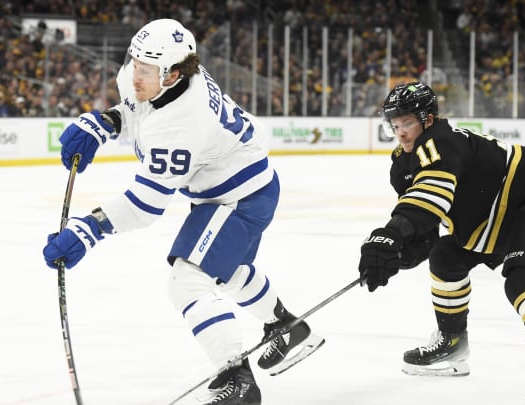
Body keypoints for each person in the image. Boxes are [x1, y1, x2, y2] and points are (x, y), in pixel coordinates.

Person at [42, 18, 323, 405]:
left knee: (187, 281)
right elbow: (138, 108)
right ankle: (286, 325)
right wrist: (106, 122)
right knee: (227, 274)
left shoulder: (183, 125)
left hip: (241, 199)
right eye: (134, 61)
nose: (133, 74)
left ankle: (238, 379)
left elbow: (144, 206)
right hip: (235, 189)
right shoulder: (166, 75)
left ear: (173, 74)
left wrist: (89, 229)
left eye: (145, 69)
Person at [358, 81, 525, 404]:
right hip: (498, 215)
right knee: (446, 257)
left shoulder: (440, 142)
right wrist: (398, 252)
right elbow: (425, 227)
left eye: (407, 122)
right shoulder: (403, 166)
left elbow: (428, 199)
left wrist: (389, 235)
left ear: (429, 119)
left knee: (524, 281)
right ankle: (452, 343)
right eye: (394, 125)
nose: (401, 132)